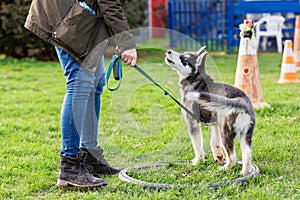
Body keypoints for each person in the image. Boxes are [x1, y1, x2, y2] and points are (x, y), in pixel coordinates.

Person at [24, 0, 137, 187]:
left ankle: (89, 155)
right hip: (65, 15)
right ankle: (70, 166)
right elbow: (108, 2)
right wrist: (126, 42)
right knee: (79, 82)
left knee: (96, 82)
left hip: (82, 15)